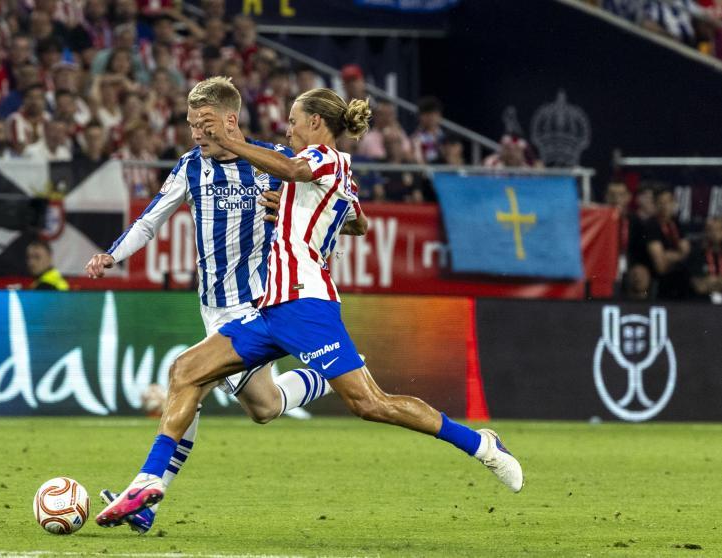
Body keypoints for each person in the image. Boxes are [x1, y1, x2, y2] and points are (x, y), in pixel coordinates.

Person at [95, 87, 524, 528]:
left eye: (294, 120)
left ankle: (480, 445)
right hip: (268, 309)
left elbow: (300, 172)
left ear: (316, 123)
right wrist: (308, 211)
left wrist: (240, 151)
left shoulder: (327, 159)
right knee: (187, 371)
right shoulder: (293, 174)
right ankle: (149, 483)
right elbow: (353, 217)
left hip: (307, 305)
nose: (288, 127)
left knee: (370, 404)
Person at [86, 77, 368, 533]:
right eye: (191, 123)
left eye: (205, 123)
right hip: (211, 306)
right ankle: (330, 376)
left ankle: (147, 493)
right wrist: (112, 255)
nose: (197, 132)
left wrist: (302, 214)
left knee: (188, 380)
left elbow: (339, 204)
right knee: (264, 406)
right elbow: (150, 218)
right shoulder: (189, 167)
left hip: (256, 303)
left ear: (230, 121)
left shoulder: (271, 163)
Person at [644, 188, 691, 299]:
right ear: (655, 205)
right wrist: (679, 255)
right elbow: (660, 265)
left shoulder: (677, 223)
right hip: (657, 276)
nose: (665, 206)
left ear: (674, 203)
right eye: (661, 202)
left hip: (678, 273)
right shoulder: (651, 225)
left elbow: (687, 252)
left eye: (668, 202)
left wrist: (669, 256)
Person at [687, 217, 722, 303]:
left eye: (718, 230)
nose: (714, 233)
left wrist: (711, 281)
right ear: (705, 232)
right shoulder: (696, 254)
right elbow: (699, 287)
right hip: (703, 303)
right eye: (710, 230)